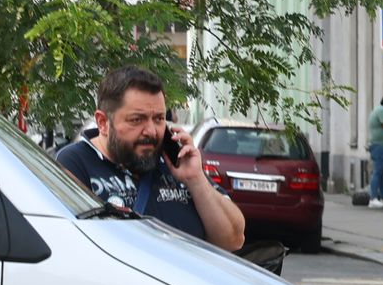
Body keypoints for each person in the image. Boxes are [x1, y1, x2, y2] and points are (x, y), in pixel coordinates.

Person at [55, 66, 248, 252]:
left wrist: (195, 179)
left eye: (158, 119)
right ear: (103, 123)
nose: (151, 131)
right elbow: (72, 245)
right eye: (136, 120)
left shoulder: (174, 163)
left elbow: (233, 239)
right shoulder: (77, 161)